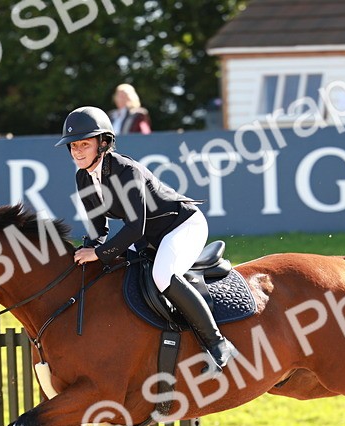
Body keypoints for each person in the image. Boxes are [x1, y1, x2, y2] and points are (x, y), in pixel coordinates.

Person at [56, 106, 236, 371]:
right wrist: (89, 251)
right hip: (151, 237)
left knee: (162, 276)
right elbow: (98, 229)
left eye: (85, 144)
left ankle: (218, 344)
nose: (77, 151)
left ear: (103, 143)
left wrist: (99, 253)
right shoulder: (83, 178)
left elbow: (134, 227)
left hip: (182, 226)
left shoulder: (125, 171)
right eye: (73, 146)